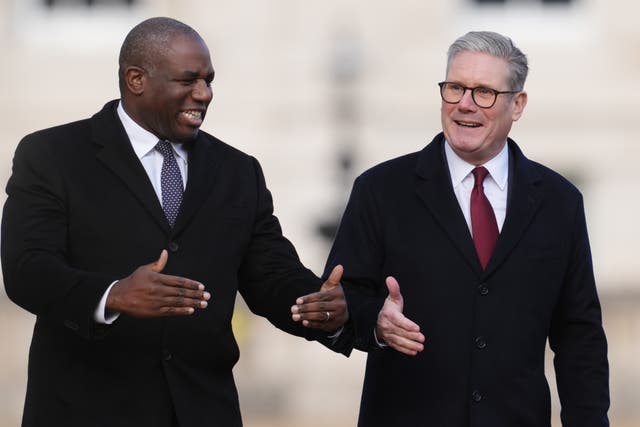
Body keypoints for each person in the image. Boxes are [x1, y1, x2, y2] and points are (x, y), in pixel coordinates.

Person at [1, 17, 349, 427]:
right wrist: (114, 295)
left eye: (209, 80)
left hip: (202, 411)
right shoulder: (53, 156)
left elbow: (270, 275)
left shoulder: (237, 171)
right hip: (87, 411)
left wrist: (320, 306)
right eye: (188, 80)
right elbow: (27, 271)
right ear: (136, 79)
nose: (204, 94)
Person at [311, 31, 610, 426]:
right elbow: (341, 303)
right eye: (454, 88)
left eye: (483, 92)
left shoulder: (560, 202)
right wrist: (375, 323)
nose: (464, 105)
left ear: (517, 104)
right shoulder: (381, 190)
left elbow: (579, 337)